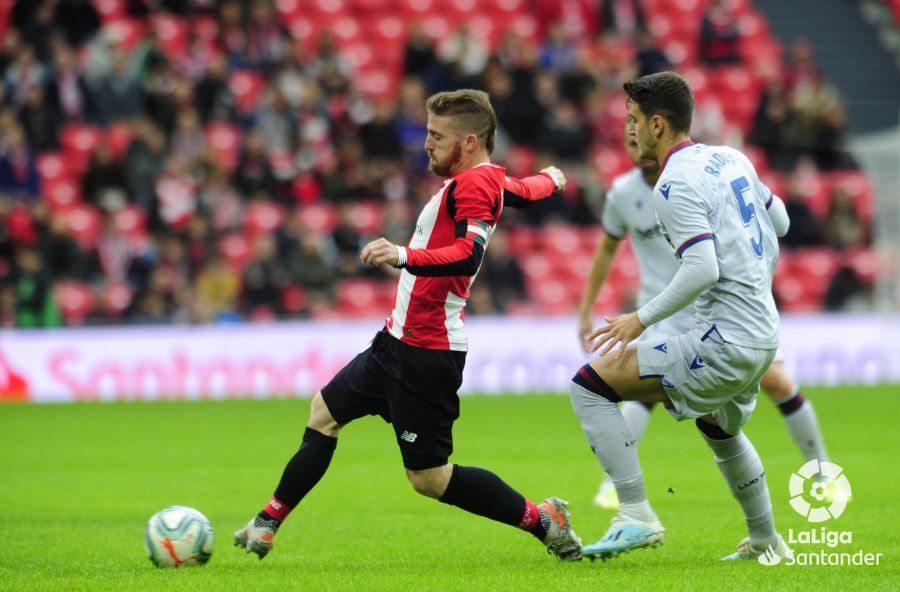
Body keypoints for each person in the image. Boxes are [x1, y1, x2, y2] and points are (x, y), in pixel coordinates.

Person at [234, 89, 582, 562]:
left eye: (438, 136)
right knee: (324, 413)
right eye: (427, 133)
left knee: (430, 478)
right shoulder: (487, 179)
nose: (427, 144)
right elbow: (521, 191)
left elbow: (470, 253)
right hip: (395, 341)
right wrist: (551, 180)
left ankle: (541, 520)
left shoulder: (475, 186)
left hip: (427, 353)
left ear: (470, 142)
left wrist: (402, 255)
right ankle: (267, 522)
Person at [570, 71, 794, 562]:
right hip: (764, 334)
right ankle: (765, 542)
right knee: (720, 427)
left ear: (656, 124)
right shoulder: (733, 158)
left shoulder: (671, 184)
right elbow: (781, 222)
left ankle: (634, 515)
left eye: (632, 120)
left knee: (589, 384)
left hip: (725, 340)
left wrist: (640, 318)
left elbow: (702, 267)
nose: (628, 131)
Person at [578, 132, 830, 510]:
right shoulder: (622, 195)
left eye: (640, 132)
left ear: (656, 131)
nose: (638, 147)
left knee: (774, 384)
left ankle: (821, 468)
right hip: (662, 310)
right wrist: (586, 308)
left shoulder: (691, 179)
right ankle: (614, 486)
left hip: (715, 310)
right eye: (629, 140)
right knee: (635, 391)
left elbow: (715, 258)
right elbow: (606, 250)